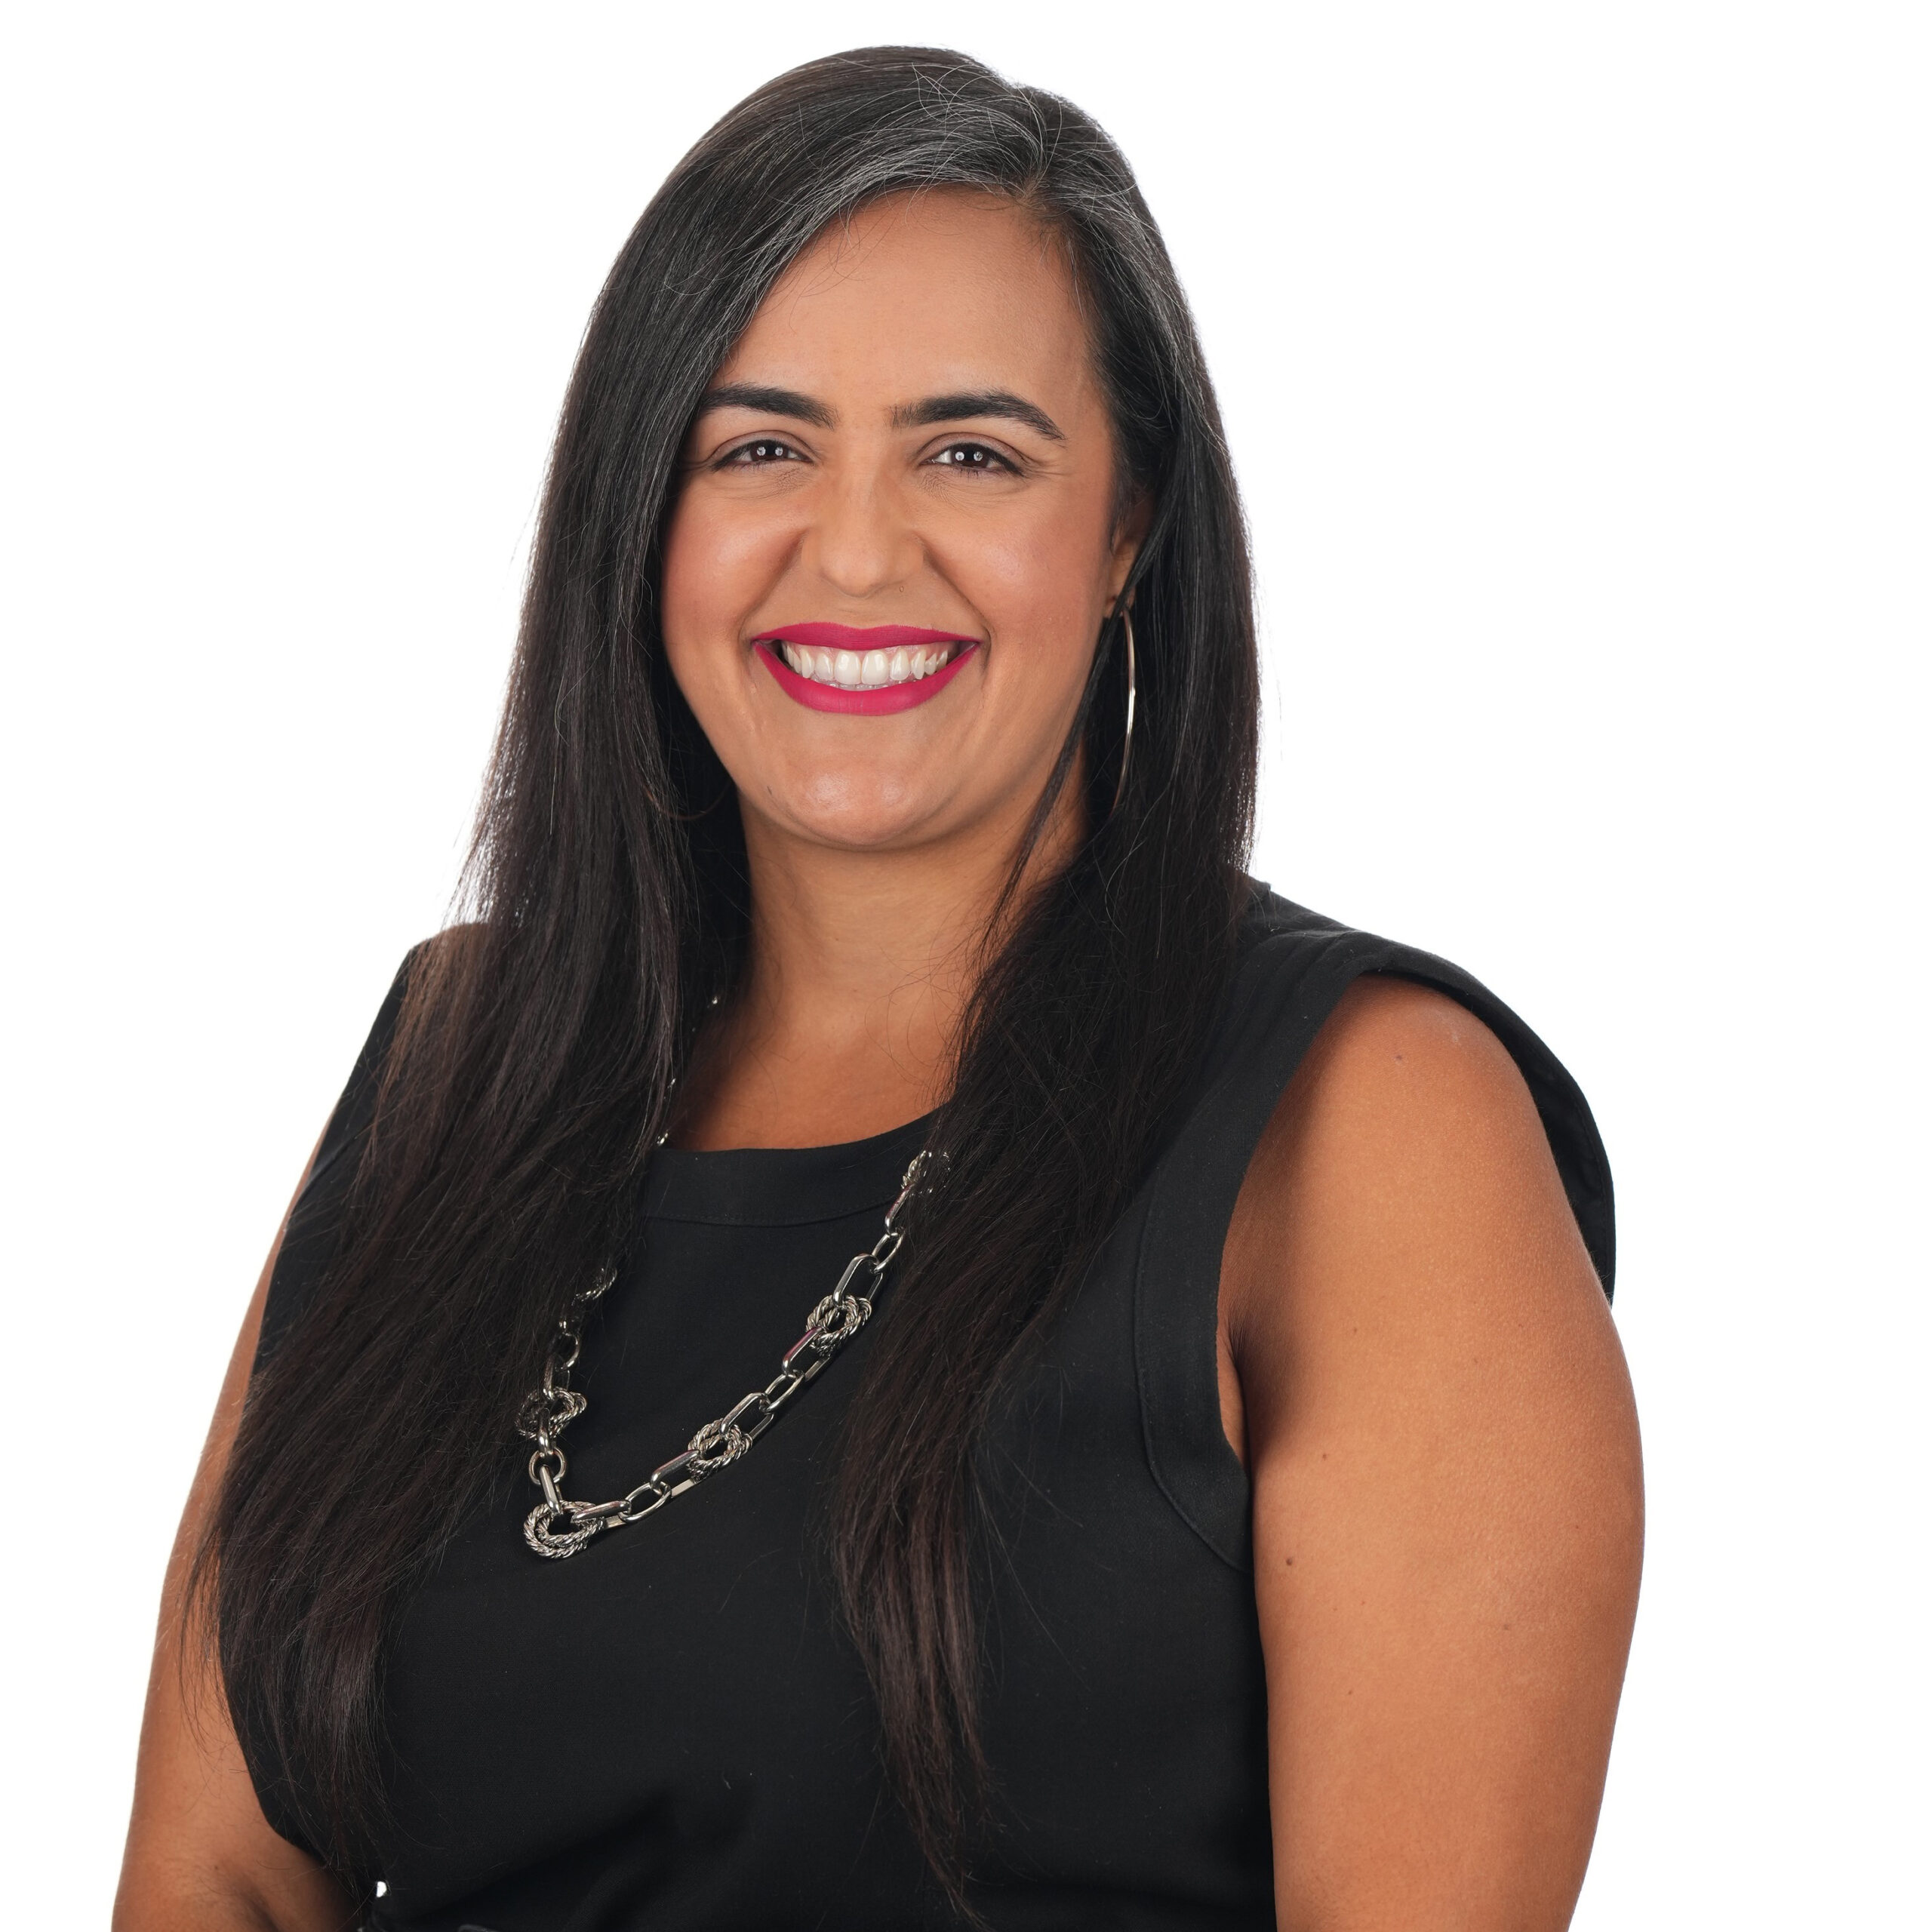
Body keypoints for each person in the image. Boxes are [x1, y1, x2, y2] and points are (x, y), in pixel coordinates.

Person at [116, 46, 1641, 1932]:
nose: (850, 550)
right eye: (757, 449)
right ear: (639, 515)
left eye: (970, 452)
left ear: (1128, 529)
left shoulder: (1366, 1123)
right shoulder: (457, 1069)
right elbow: (217, 1875)